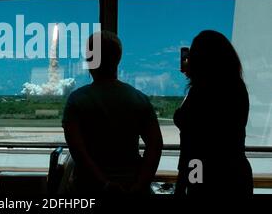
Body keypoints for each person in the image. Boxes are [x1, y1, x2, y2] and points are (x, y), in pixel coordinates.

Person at [62, 31, 163, 195]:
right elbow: (155, 145)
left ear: (90, 60)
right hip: (131, 184)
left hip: (88, 188)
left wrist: (105, 184)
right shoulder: (139, 99)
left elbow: (77, 150)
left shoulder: (77, 100)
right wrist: (140, 185)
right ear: (118, 59)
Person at [174, 30, 253, 196]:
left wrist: (182, 185)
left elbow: (189, 130)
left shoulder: (200, 91)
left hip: (201, 170)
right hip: (235, 172)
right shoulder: (237, 87)